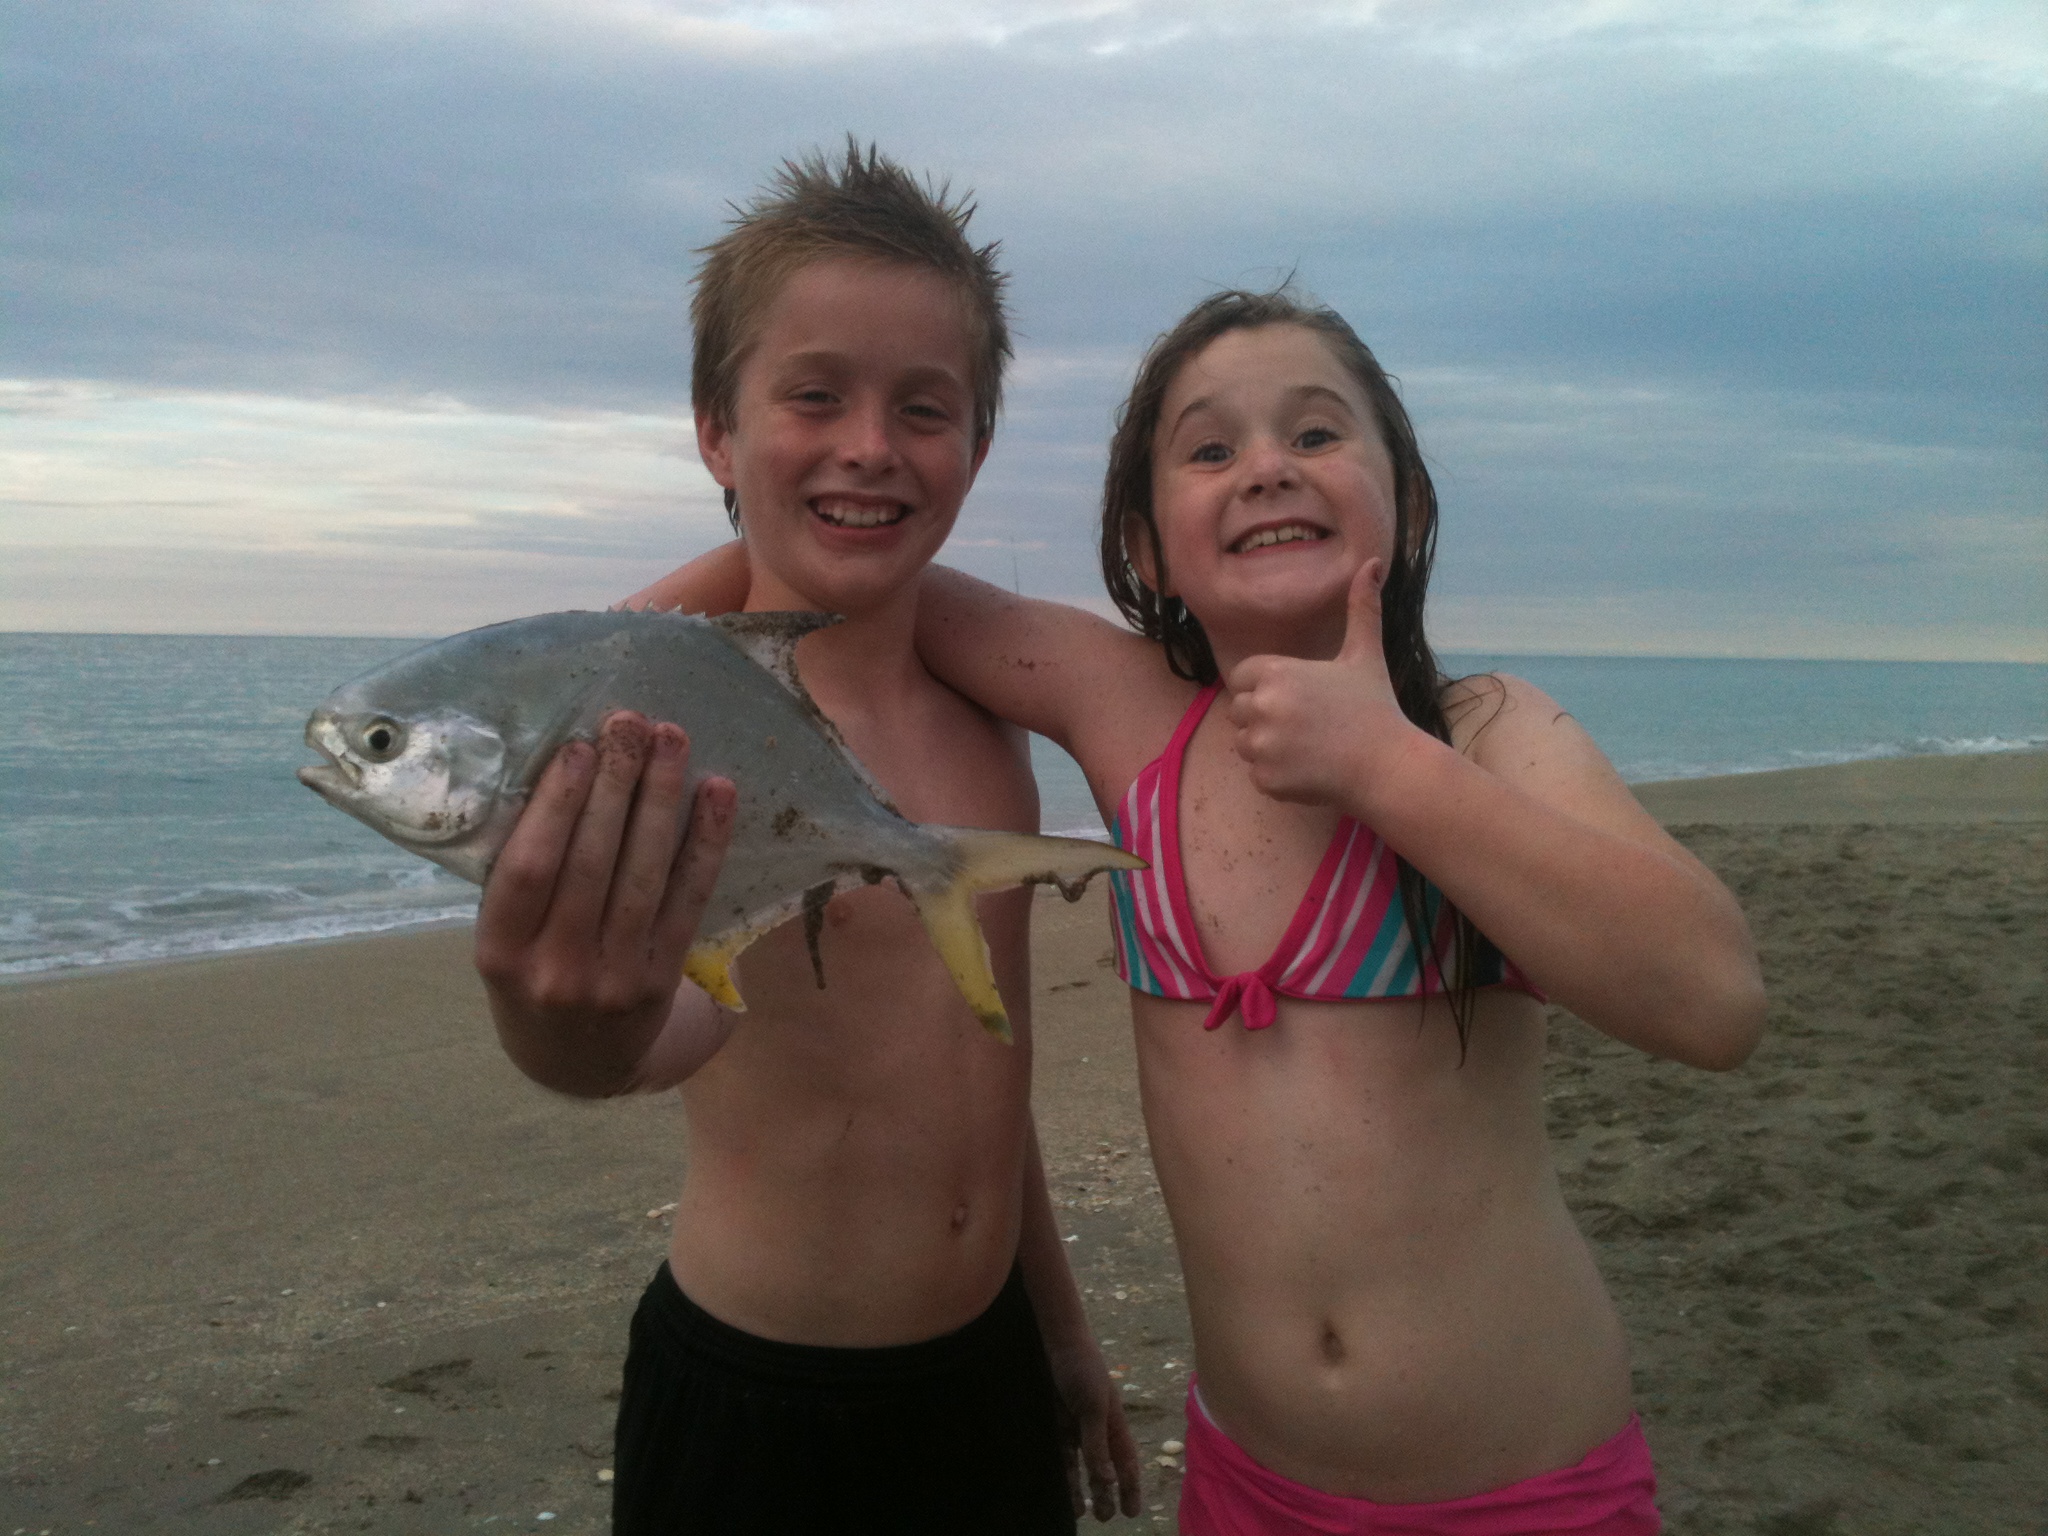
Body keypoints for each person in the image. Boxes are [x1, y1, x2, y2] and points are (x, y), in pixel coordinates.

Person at [627, 286, 1768, 1534]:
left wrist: (1385, 764)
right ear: (1146, 546)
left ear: (1408, 497)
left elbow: (1710, 1000)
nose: (1267, 468)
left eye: (1318, 434)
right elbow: (823, 567)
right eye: (1209, 449)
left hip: (1524, 1487)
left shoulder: (1486, 732)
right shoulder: (1128, 718)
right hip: (1244, 1491)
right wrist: (574, 667)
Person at [480, 143, 1142, 1534]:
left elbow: (985, 1072)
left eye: (926, 407)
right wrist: (556, 1023)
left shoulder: (983, 726)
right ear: (718, 431)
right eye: (814, 394)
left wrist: (1064, 1338)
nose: (870, 446)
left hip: (987, 1380)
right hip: (759, 1406)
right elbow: (652, 1035)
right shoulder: (666, 729)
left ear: (975, 444)